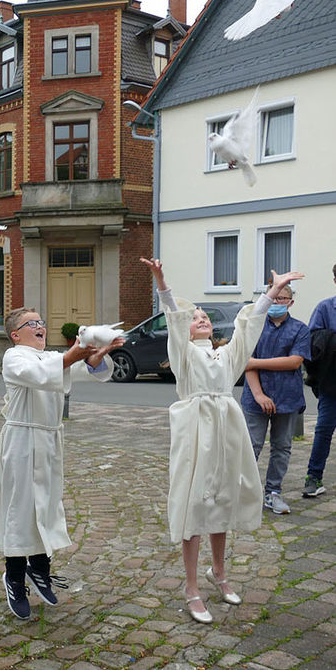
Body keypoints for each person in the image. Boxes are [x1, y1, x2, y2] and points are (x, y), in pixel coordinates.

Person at [141, 258, 303, 624]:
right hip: (195, 434)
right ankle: (192, 587)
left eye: (205, 317)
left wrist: (271, 292)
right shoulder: (182, 354)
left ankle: (220, 572)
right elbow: (173, 315)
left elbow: (249, 327)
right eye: (195, 316)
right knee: (194, 504)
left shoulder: (225, 354)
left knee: (221, 502)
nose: (201, 319)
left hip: (226, 430)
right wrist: (162, 282)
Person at [0, 306, 122, 620]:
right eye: (32, 323)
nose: (40, 326)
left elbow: (80, 370)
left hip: (49, 440)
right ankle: (13, 576)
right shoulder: (14, 357)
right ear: (16, 334)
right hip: (22, 441)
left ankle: (39, 569)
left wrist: (96, 353)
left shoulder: (49, 356)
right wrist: (74, 354)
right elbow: (42, 374)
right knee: (21, 509)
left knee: (47, 505)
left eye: (41, 321)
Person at [240, 284, 311, 514]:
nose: (278, 302)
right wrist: (259, 394)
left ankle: (273, 493)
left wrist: (256, 363)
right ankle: (243, 493)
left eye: (283, 298)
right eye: (275, 298)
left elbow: (294, 362)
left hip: (287, 399)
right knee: (251, 446)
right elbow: (245, 363)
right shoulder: (254, 327)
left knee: (282, 447)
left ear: (290, 302)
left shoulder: (300, 329)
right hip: (255, 398)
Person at [303, 263, 336, 498]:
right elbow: (313, 344)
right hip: (331, 384)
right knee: (323, 429)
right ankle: (313, 477)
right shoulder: (325, 308)